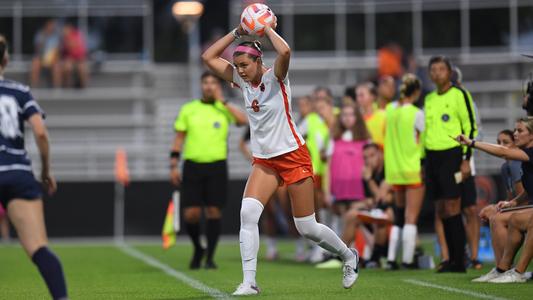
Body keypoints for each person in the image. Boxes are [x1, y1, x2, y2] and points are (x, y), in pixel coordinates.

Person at [202, 20, 360, 295]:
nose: (239, 71)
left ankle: (348, 256)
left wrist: (266, 29)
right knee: (248, 213)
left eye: (244, 66)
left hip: (292, 156)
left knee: (306, 227)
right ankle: (249, 282)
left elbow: (285, 52)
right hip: (265, 160)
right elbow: (207, 57)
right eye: (236, 66)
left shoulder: (275, 76)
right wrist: (237, 33)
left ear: (258, 61)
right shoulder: (241, 80)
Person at [0, 35, 67, 300]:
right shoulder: (20, 91)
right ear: (5, 59)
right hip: (18, 173)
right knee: (39, 248)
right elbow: (40, 133)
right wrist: (46, 171)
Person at [170, 71, 247, 270]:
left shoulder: (223, 109)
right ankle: (198, 248)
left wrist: (223, 102)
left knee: (213, 211)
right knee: (191, 214)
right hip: (192, 166)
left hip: (217, 166)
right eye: (206, 82)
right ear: (201, 85)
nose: (209, 86)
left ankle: (210, 257)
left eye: (213, 82)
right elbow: (179, 138)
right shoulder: (189, 109)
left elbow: (242, 121)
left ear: (218, 86)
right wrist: (173, 165)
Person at [456, 118, 533, 283]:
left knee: (517, 218)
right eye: (515, 130)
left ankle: (518, 273)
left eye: (520, 131)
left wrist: (472, 143)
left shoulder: (529, 154)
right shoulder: (523, 158)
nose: (515, 134)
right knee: (497, 218)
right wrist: (513, 202)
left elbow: (503, 152)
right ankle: (502, 269)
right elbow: (529, 191)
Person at [424, 55, 477, 273]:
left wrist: (466, 159)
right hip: (432, 157)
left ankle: (459, 260)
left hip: (452, 155)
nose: (437, 73)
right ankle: (451, 258)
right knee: (441, 208)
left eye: (441, 69)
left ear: (449, 72)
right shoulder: (428, 99)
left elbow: (470, 126)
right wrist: (422, 162)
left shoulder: (460, 94)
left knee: (454, 206)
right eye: (433, 69)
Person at [473, 129, 527, 282]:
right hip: (525, 206)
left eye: (506, 142)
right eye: (499, 143)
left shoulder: (517, 163)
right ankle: (502, 267)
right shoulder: (506, 168)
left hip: (528, 207)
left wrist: (498, 208)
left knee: (497, 217)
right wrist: (499, 205)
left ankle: (505, 267)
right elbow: (512, 198)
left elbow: (524, 197)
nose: (502, 146)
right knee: (495, 214)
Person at [383, 73, 425, 269]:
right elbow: (425, 139)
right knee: (411, 217)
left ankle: (392, 259)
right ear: (416, 92)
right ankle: (408, 260)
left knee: (399, 216)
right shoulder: (416, 113)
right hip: (413, 169)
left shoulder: (390, 110)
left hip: (394, 170)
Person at [31, 19, 62, 88]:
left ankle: (57, 89)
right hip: (41, 58)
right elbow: (37, 49)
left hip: (53, 59)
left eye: (53, 25)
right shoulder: (40, 34)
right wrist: (45, 37)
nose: (52, 27)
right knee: (35, 64)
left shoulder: (56, 36)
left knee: (57, 66)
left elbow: (58, 50)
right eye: (50, 25)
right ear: (46, 25)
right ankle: (34, 87)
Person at [356, 82, 386, 149]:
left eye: (361, 95)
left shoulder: (383, 116)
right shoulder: (355, 118)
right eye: (357, 96)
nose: (358, 99)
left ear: (372, 96)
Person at [61, 23, 89, 88]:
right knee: (67, 67)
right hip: (69, 59)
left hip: (79, 59)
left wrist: (71, 44)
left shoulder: (77, 35)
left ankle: (83, 87)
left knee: (82, 68)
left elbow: (81, 50)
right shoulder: (64, 38)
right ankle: (67, 87)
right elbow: (65, 50)